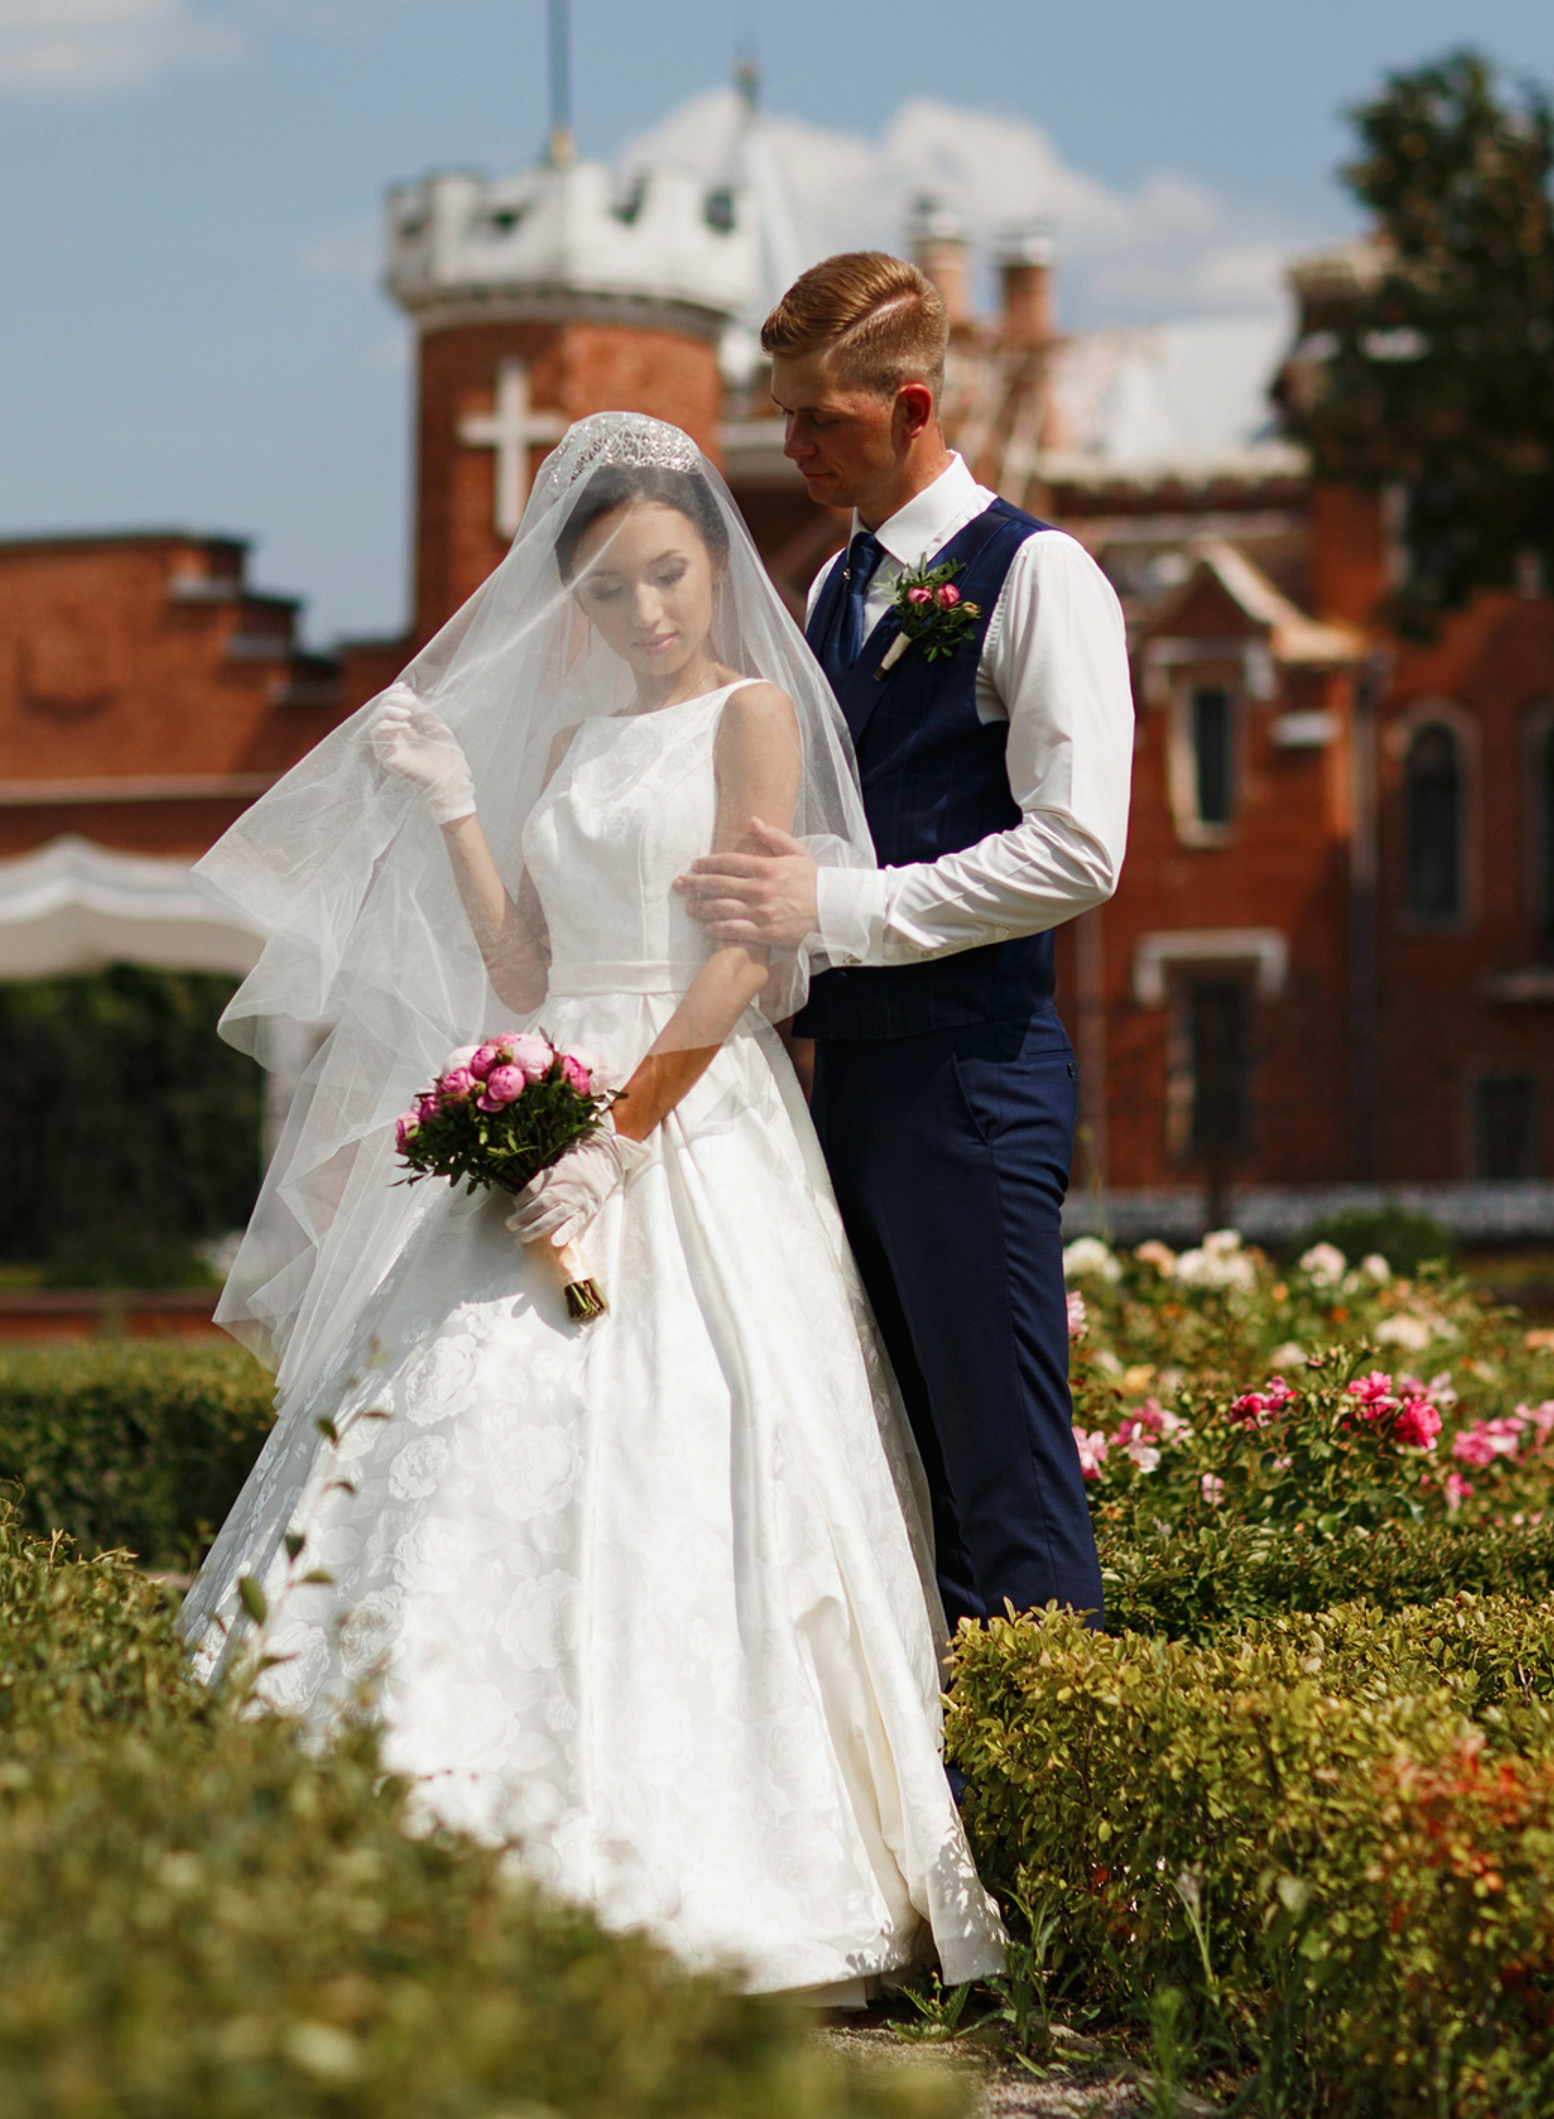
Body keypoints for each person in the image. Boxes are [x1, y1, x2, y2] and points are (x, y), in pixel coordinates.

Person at [182, 411, 1001, 2000]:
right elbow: (521, 973)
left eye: (671, 576)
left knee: (702, 1447)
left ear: (711, 563)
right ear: (578, 604)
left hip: (689, 1111)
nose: (649, 614)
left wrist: (619, 1137)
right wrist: (454, 807)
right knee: (456, 1425)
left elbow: (750, 958)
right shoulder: (565, 746)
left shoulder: (754, 715)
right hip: (558, 1071)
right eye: (614, 592)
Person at [675, 253, 1132, 1629]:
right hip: (851, 1083)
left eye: (819, 419)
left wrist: (839, 909)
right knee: (900, 1474)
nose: (793, 444)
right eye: (783, 414)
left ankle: (1078, 1830)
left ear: (914, 400)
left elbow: (1079, 850)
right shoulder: (829, 591)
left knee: (1007, 1477)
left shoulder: (1040, 575)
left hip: (975, 1082)